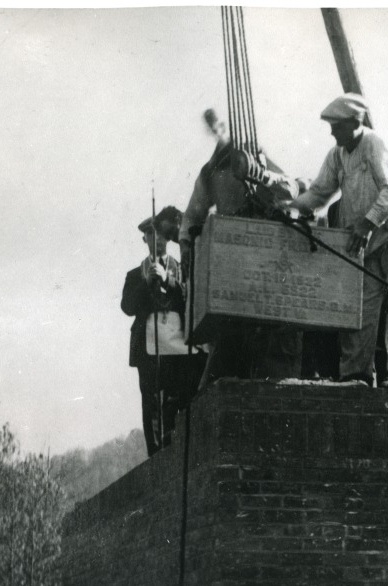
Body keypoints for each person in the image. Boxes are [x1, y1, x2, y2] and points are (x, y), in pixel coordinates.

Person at [292, 94, 388, 388]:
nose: (332, 133)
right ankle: (357, 374)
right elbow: (318, 194)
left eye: (337, 127)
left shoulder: (373, 143)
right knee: (361, 305)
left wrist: (366, 222)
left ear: (355, 122)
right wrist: (288, 204)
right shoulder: (337, 154)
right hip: (368, 238)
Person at [179, 108, 305, 383]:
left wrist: (259, 174)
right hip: (233, 259)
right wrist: (187, 245)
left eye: (221, 126)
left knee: (273, 343)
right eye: (213, 129)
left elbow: (290, 190)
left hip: (266, 255)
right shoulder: (210, 171)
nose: (218, 132)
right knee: (229, 345)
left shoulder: (255, 155)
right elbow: (192, 215)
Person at [122, 207, 204, 456]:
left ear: (168, 238)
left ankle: (178, 450)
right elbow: (127, 307)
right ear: (144, 239)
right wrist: (147, 283)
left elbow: (189, 299)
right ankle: (155, 455)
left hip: (177, 343)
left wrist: (168, 281)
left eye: (160, 234)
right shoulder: (135, 274)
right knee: (152, 403)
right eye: (150, 234)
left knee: (178, 398)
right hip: (148, 347)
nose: (155, 239)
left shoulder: (182, 269)